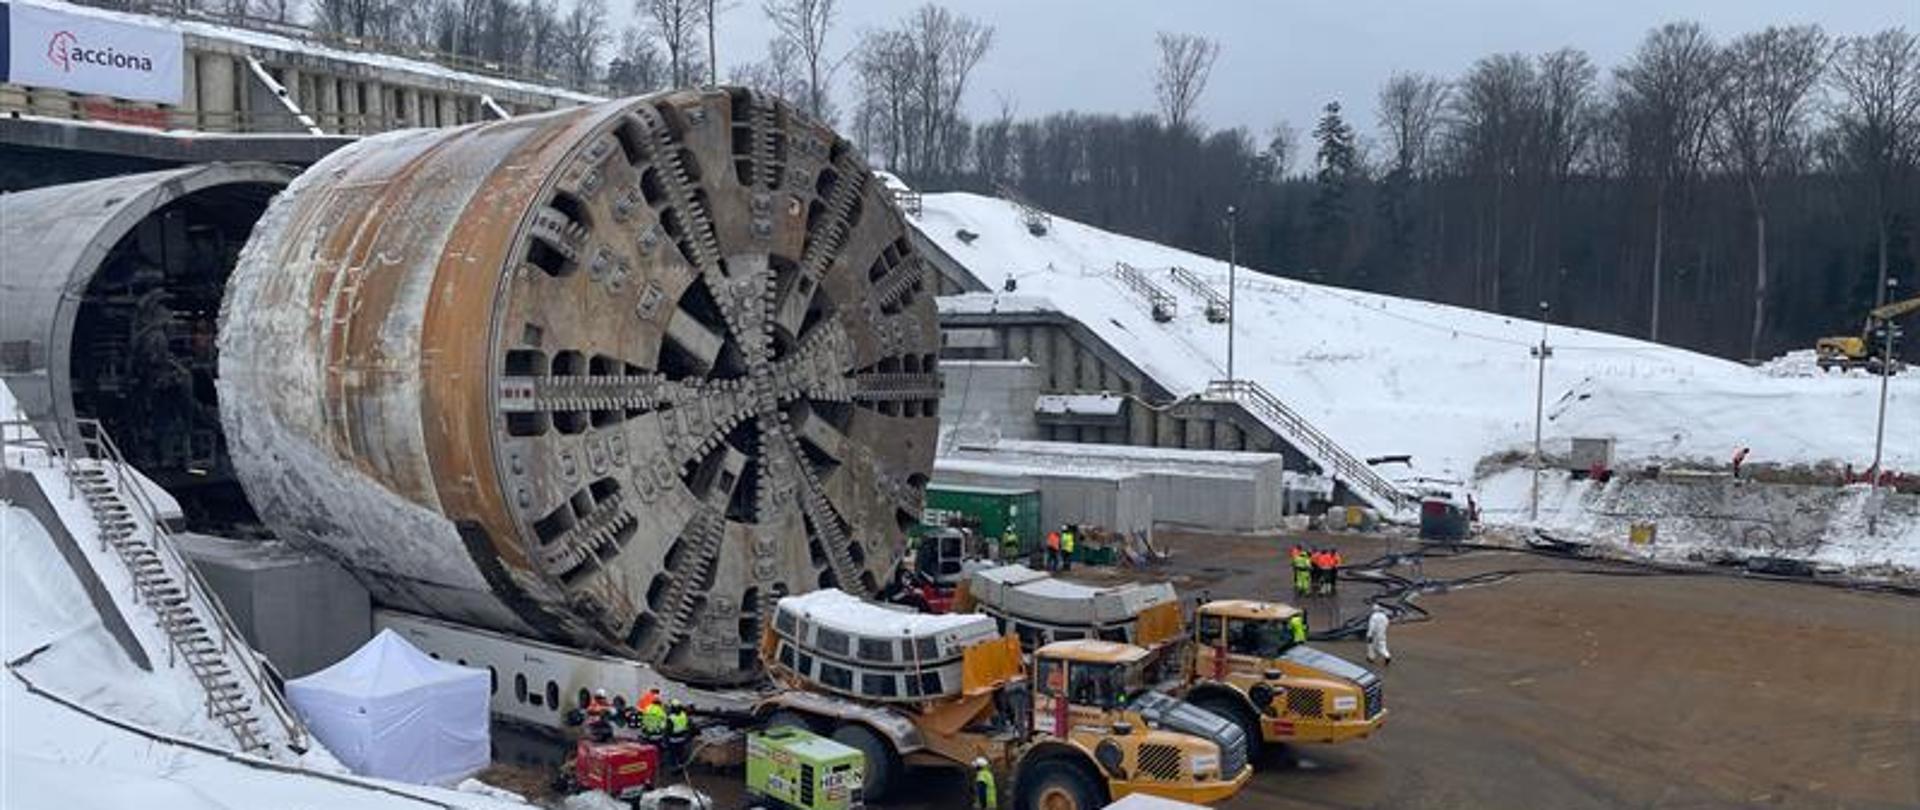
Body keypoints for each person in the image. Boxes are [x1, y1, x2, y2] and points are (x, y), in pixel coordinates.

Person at [665, 699, 693, 768]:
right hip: (682, 738)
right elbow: (687, 725)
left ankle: (674, 766)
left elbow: (668, 730)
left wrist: (666, 739)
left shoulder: (671, 718)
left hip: (673, 739)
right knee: (680, 753)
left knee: (672, 754)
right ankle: (681, 764)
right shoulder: (683, 715)